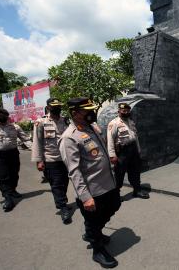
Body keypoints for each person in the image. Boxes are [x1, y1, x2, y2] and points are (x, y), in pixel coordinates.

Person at [59, 97, 121, 268]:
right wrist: (85, 197)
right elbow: (74, 171)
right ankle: (98, 250)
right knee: (93, 221)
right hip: (92, 190)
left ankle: (92, 232)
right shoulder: (69, 138)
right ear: (74, 113)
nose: (91, 112)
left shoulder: (92, 127)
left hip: (108, 183)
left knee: (115, 205)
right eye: (87, 110)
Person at [32, 98, 72, 224]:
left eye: (59, 106)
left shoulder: (65, 120)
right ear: (48, 107)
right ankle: (63, 207)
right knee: (57, 184)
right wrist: (39, 160)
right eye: (54, 106)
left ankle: (62, 201)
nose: (57, 108)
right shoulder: (41, 122)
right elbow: (37, 142)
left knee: (65, 181)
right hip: (51, 159)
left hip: (65, 158)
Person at [107, 103, 149, 199]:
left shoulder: (130, 121)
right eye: (124, 111)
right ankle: (116, 194)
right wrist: (112, 155)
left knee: (135, 171)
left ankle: (137, 190)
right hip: (122, 151)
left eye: (127, 111)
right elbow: (110, 140)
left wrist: (138, 149)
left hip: (133, 150)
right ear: (119, 111)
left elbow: (135, 137)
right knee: (119, 173)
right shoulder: (114, 123)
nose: (126, 112)